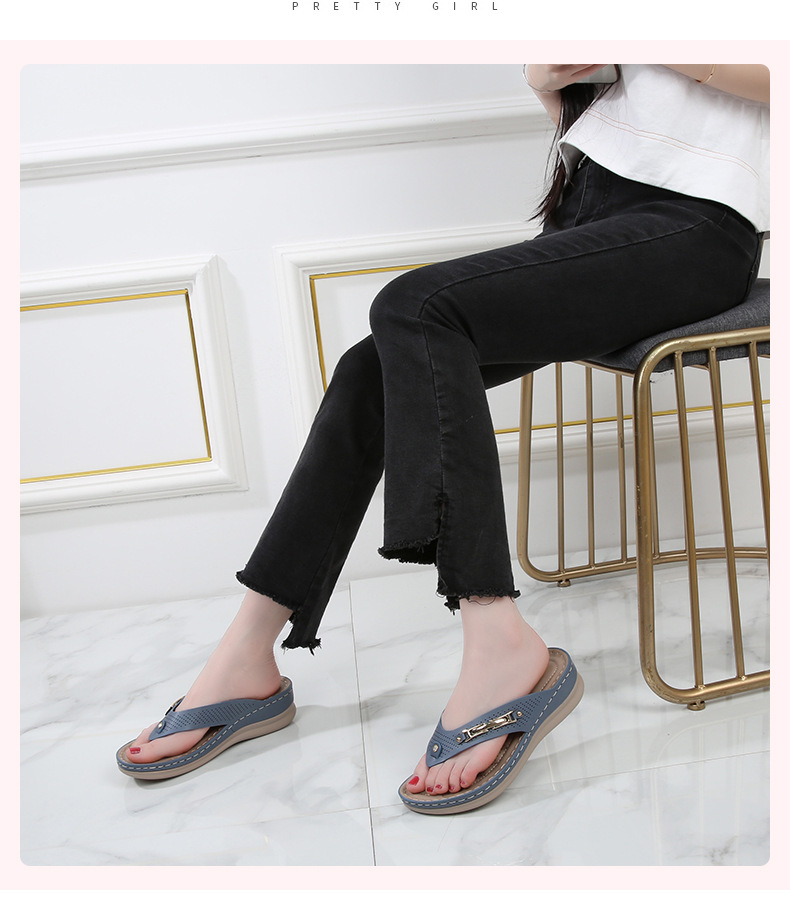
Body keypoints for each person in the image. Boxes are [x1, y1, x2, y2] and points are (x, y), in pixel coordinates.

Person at [116, 64, 769, 815]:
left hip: (698, 229)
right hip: (596, 211)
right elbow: (599, 106)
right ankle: (248, 651)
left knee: (415, 306)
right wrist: (551, 77)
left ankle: (498, 638)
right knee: (369, 370)